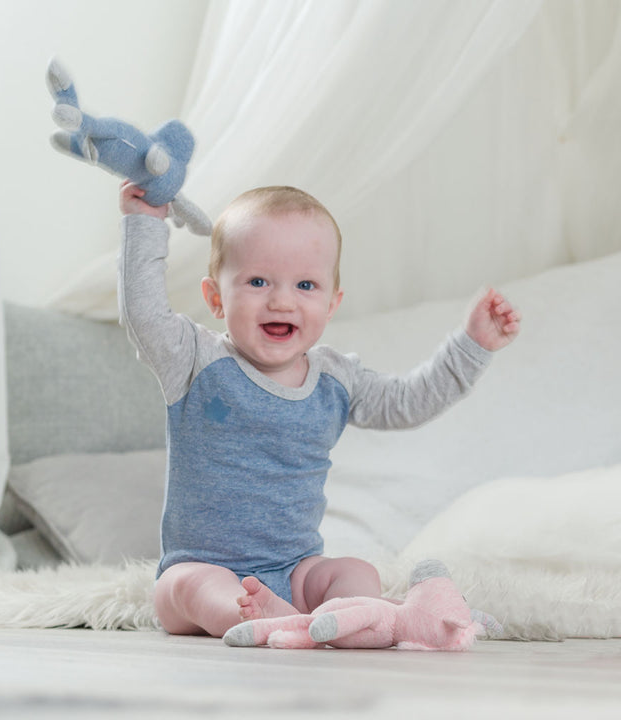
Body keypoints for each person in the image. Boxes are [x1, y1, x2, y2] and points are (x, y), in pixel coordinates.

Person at [118, 181, 521, 638]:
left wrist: (471, 347)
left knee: (354, 570)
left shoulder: (335, 380)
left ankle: (354, 617)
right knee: (186, 585)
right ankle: (261, 617)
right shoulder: (194, 360)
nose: (282, 300)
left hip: (295, 573)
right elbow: (144, 313)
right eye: (257, 282)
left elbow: (409, 401)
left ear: (332, 304)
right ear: (215, 298)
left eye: (305, 285)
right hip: (203, 567)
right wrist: (145, 223)